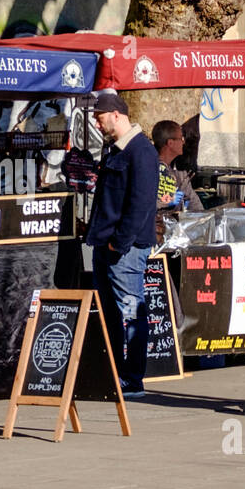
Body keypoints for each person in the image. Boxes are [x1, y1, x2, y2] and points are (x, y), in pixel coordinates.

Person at [86, 93, 160, 398]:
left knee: (130, 311)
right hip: (108, 245)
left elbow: (140, 203)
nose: (96, 122)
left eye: (99, 117)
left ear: (116, 115)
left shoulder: (140, 151)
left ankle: (132, 377)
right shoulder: (115, 150)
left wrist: (120, 243)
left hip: (123, 249)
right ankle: (116, 373)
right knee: (112, 313)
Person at [152, 120, 200, 238]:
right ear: (170, 143)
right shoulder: (148, 171)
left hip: (177, 235)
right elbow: (140, 203)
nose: (183, 142)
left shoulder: (180, 174)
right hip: (155, 234)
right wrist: (164, 202)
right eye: (180, 138)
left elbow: (196, 205)